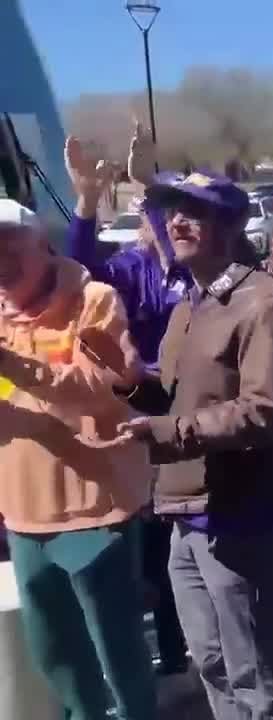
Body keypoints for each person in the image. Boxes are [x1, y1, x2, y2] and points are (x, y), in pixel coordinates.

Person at [114, 172, 273, 719]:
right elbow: (179, 395)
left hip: (240, 514)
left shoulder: (262, 304)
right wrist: (129, 383)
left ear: (232, 225)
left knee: (257, 671)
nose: (177, 221)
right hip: (184, 511)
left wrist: (165, 434)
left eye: (194, 212)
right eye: (173, 210)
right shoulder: (187, 306)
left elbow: (264, 411)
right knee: (213, 662)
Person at [0, 198, 157, 719]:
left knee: (120, 661)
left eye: (8, 242)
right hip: (22, 518)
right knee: (56, 658)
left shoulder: (93, 300)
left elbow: (103, 389)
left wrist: (13, 365)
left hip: (98, 513)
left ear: (42, 244)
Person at [62, 130, 192, 675]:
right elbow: (75, 269)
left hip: (175, 406)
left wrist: (148, 188)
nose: (157, 223)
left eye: (161, 213)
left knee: (168, 536)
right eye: (154, 214)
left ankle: (173, 645)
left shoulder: (186, 274)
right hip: (126, 407)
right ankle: (135, 643)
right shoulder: (121, 268)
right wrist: (88, 202)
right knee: (130, 534)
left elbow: (177, 270)